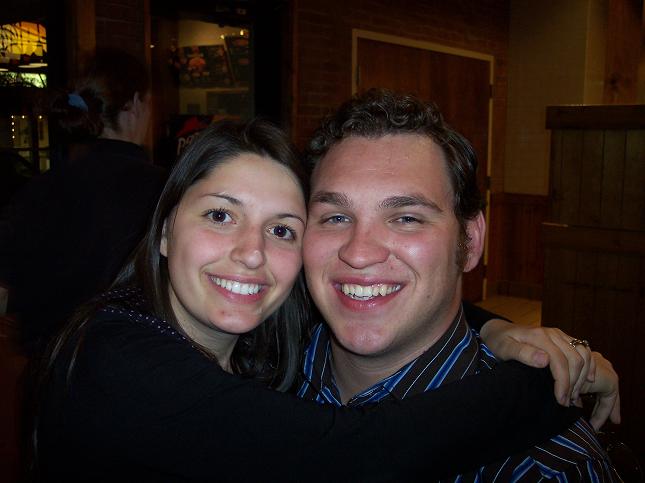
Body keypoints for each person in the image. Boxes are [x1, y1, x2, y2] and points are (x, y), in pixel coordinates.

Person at [36, 119, 596, 482]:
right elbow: (353, 455)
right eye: (220, 215)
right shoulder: (112, 354)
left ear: (469, 242)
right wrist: (550, 387)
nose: (251, 253)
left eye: (282, 229)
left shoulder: (275, 340)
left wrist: (494, 330)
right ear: (163, 231)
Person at [298, 88, 620, 480]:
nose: (359, 253)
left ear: (470, 241)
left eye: (407, 218)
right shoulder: (260, 366)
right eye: (335, 217)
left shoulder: (546, 471)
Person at [0, 48, 167, 354]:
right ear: (134, 104)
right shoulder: (161, 190)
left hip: (46, 367)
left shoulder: (38, 189)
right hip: (130, 362)